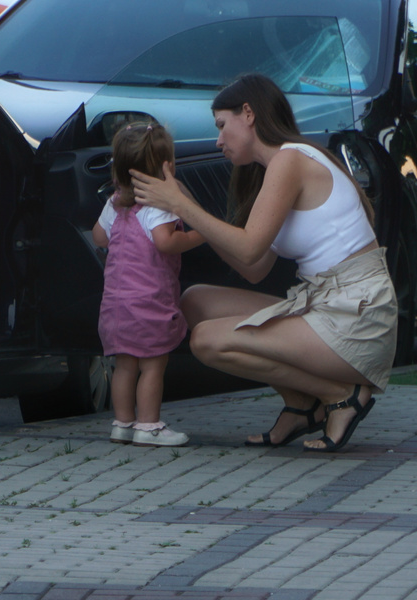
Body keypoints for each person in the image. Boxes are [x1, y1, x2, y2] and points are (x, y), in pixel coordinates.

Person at [132, 73, 396, 453]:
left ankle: (341, 396)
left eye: (222, 126)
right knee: (194, 302)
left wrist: (180, 205)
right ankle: (302, 405)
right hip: (323, 304)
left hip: (357, 319)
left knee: (208, 341)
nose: (219, 140)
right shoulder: (277, 168)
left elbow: (250, 249)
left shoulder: (290, 160)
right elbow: (253, 268)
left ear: (249, 113)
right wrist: (186, 204)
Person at [94, 121, 206, 447]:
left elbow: (100, 236)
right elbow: (166, 243)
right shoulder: (156, 206)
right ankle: (148, 426)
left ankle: (122, 423)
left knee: (125, 366)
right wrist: (201, 232)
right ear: (165, 167)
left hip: (115, 305)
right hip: (148, 304)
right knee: (153, 366)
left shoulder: (116, 202)